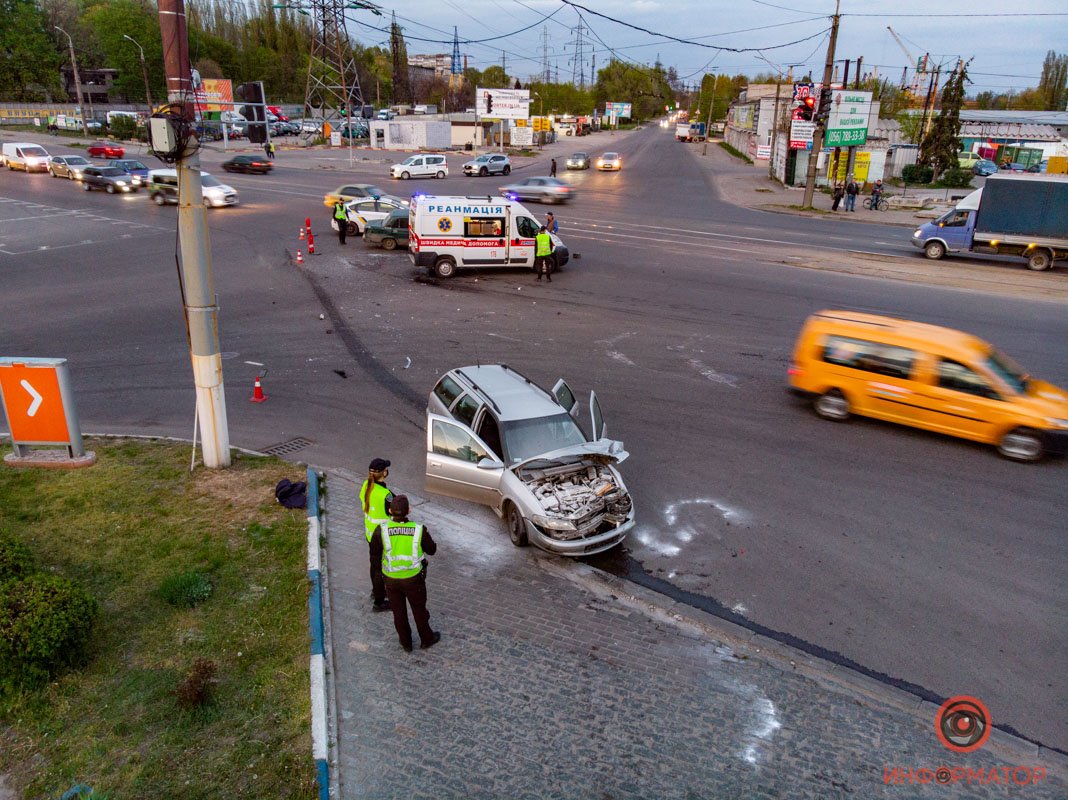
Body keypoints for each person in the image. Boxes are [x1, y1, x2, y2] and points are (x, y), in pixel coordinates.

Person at [369, 495, 439, 652]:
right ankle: (427, 639)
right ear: (409, 511)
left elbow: (374, 557)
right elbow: (432, 550)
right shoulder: (418, 530)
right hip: (414, 579)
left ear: (389, 511)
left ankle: (406, 643)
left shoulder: (381, 530)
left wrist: (382, 575)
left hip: (391, 579)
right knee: (419, 609)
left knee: (398, 612)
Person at [359, 457, 394, 611]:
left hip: (370, 534)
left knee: (374, 565)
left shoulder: (366, 485)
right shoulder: (385, 494)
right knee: (380, 569)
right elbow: (394, 509)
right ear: (383, 473)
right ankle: (379, 602)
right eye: (386, 469)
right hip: (381, 536)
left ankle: (375, 591)